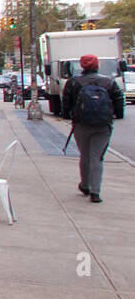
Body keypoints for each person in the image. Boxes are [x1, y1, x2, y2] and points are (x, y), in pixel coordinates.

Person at [61, 53, 124, 203]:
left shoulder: (73, 82)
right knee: (97, 157)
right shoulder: (108, 82)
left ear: (82, 66)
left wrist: (69, 116)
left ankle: (85, 185)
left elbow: (66, 103)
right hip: (103, 126)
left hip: (81, 124)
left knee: (85, 155)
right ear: (97, 65)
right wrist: (115, 115)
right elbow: (119, 100)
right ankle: (95, 192)